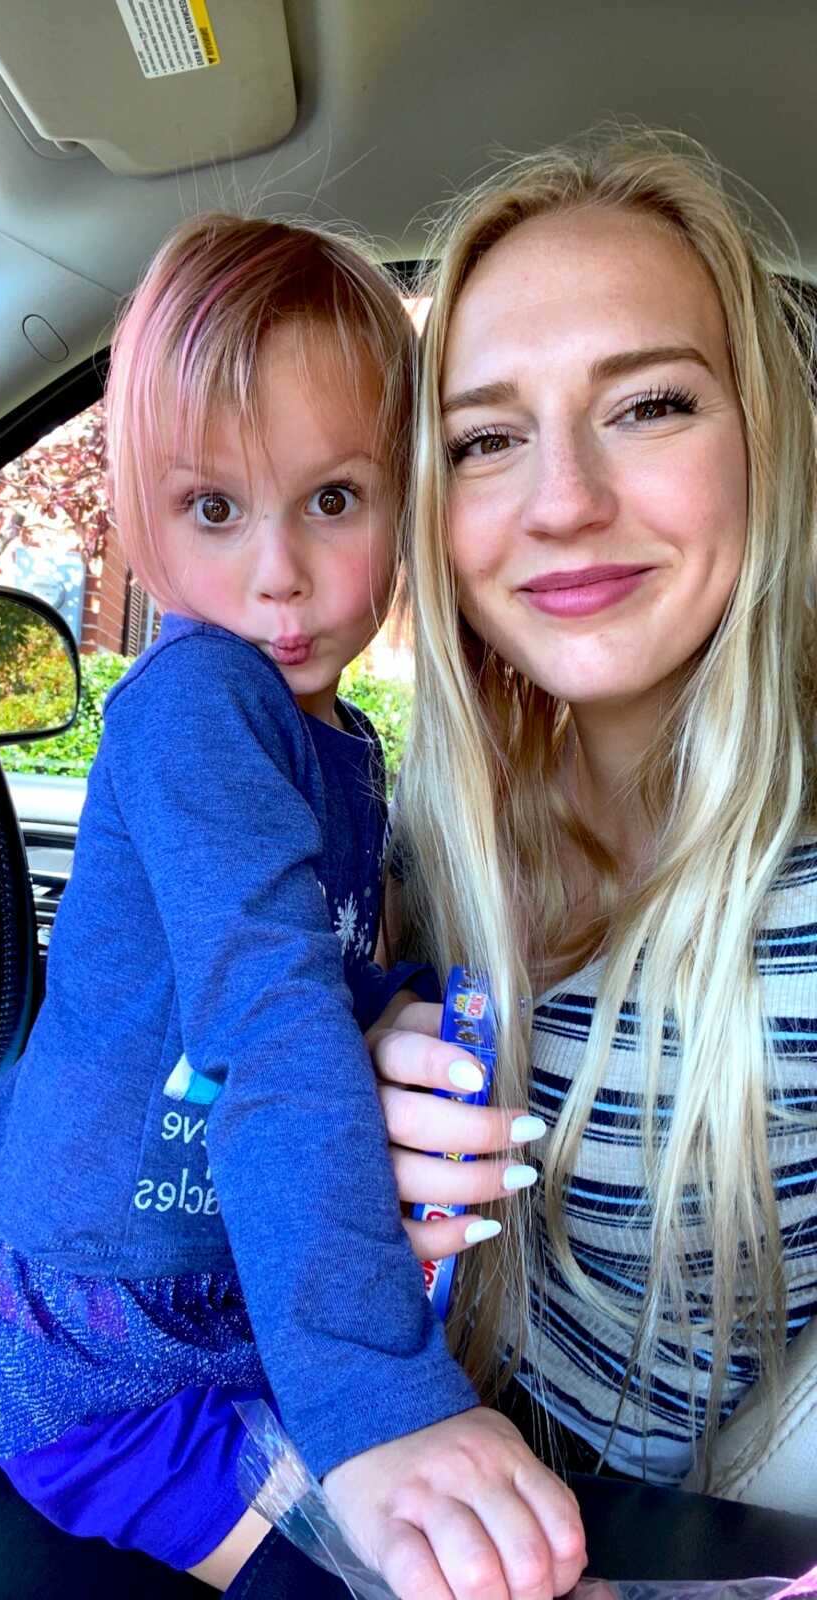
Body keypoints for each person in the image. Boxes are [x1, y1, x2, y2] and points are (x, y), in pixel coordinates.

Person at [0, 214, 585, 1597]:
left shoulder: (335, 742)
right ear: (133, 510)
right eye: (213, 509)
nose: (279, 576)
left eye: (333, 499)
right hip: (93, 1348)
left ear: (404, 496)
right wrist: (381, 1399)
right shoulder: (199, 703)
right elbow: (268, 1014)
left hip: (208, 1294)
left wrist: (384, 1017)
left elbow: (300, 975)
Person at [371, 130, 817, 1494]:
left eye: (652, 406)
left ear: (770, 442)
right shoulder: (420, 847)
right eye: (489, 438)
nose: (563, 502)